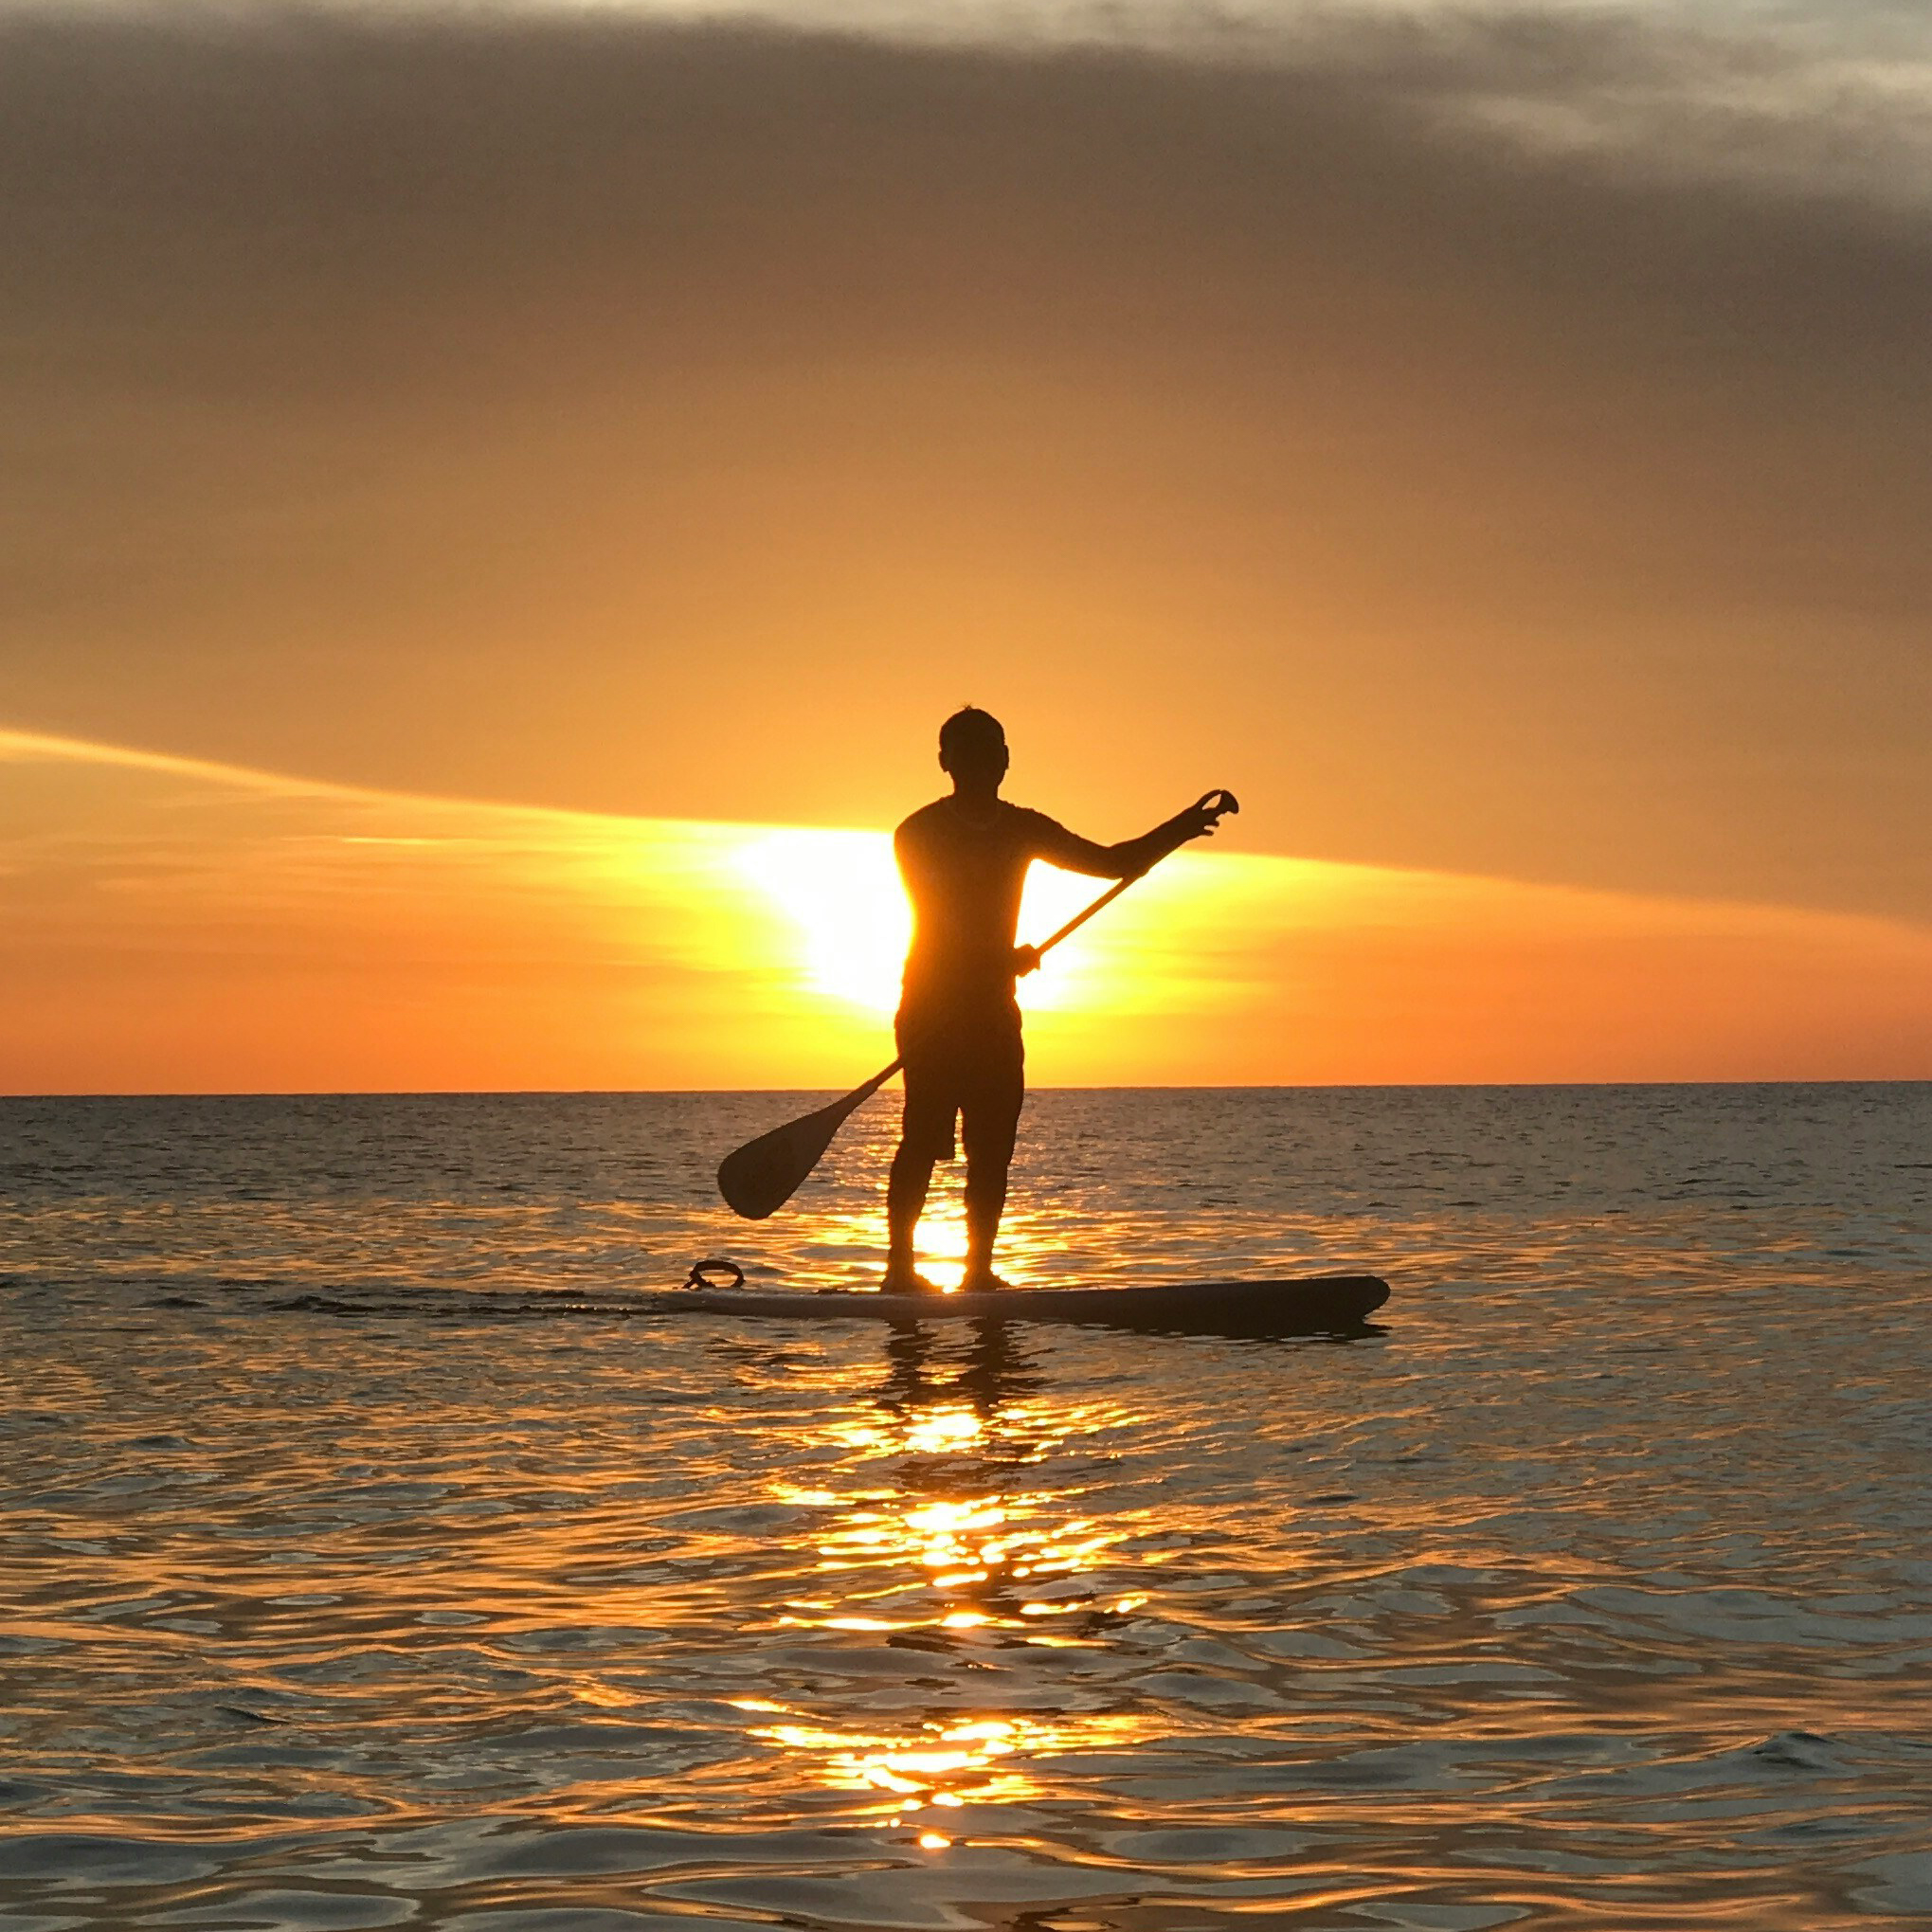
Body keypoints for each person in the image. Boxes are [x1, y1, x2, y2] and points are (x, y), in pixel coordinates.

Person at [885, 708, 1226, 1292]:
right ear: (946, 763)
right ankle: (900, 1273)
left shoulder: (1023, 828)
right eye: (969, 753)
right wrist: (1001, 960)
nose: (983, 763)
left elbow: (1114, 863)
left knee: (991, 1149)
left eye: (993, 750)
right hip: (933, 1011)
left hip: (993, 1014)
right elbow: (939, 925)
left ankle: (978, 1274)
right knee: (923, 1139)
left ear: (1006, 761)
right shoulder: (917, 835)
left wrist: (1181, 828)